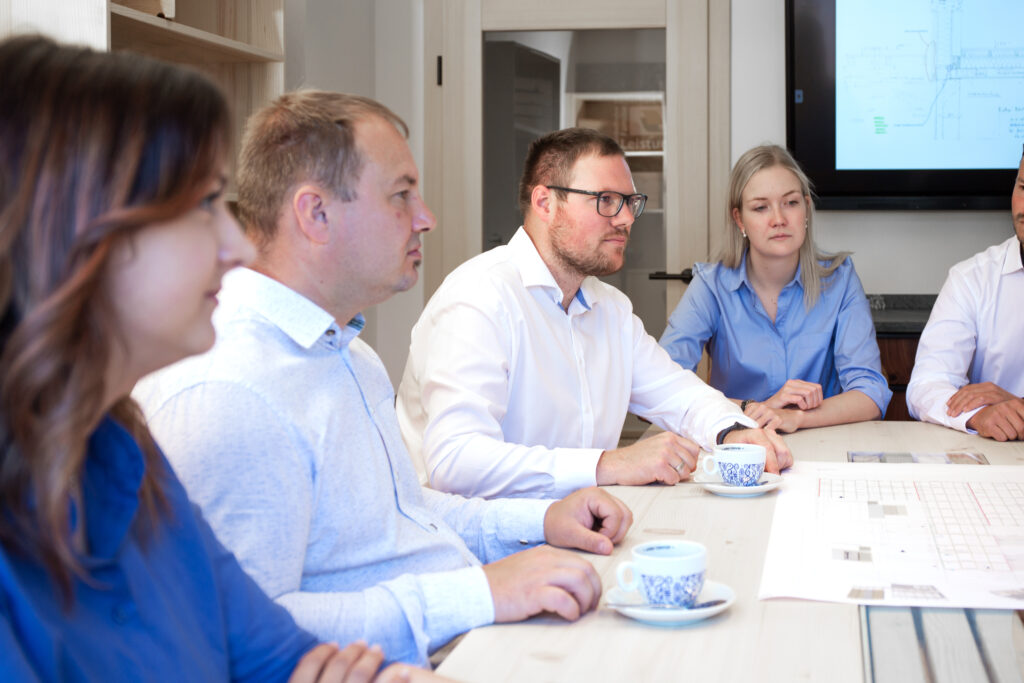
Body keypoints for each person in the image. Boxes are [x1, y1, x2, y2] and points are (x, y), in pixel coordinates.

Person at [134, 91, 633, 668]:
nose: (426, 217)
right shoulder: (231, 391)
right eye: (401, 196)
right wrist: (480, 594)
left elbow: (399, 514)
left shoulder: (348, 352)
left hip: (456, 637)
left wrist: (539, 520)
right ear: (315, 214)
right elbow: (243, 634)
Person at [0, 35, 424, 682]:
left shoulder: (131, 460)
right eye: (201, 207)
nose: (235, 245)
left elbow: (278, 656)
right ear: (70, 233)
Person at [396, 128, 791, 501]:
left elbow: (680, 395)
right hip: (474, 552)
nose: (625, 219)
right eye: (605, 200)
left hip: (578, 532)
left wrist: (735, 432)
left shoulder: (610, 309)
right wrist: (610, 463)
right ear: (545, 203)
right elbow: (457, 462)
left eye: (630, 202)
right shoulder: (479, 298)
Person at [657, 144, 891, 433]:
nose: (779, 218)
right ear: (739, 219)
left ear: (806, 208)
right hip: (739, 445)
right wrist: (755, 408)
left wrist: (798, 417)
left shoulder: (840, 279)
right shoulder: (711, 285)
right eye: (760, 207)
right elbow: (661, 389)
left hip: (823, 441)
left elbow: (871, 394)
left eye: (791, 203)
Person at [906, 150, 1024, 441]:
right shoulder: (973, 279)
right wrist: (978, 415)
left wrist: (1018, 407)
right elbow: (926, 384)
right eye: (1023, 187)